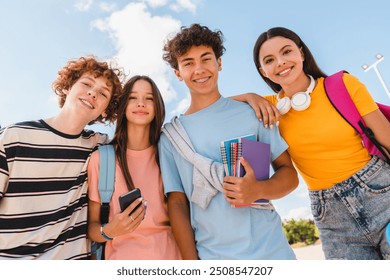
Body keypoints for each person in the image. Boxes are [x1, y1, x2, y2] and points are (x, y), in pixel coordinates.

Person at [159, 23, 298, 260]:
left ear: (219, 63)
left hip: (273, 251)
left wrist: (258, 190)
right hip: (215, 258)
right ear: (178, 74)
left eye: (206, 59)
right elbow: (178, 205)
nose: (199, 69)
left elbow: (289, 175)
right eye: (188, 63)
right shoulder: (171, 137)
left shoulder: (253, 113)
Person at [251, 26, 390, 259]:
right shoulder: (268, 110)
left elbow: (387, 138)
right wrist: (248, 97)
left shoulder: (343, 84)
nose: (281, 62)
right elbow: (218, 106)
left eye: (287, 52)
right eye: (269, 60)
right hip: (332, 217)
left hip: (381, 194)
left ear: (302, 53)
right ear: (263, 71)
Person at [0, 56, 123, 259]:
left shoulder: (99, 147)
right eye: (86, 84)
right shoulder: (14, 138)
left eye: (103, 93)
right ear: (67, 87)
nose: (93, 93)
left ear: (105, 110)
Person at [87, 75, 182, 260]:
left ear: (158, 107)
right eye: (132, 98)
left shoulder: (169, 155)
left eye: (149, 98)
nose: (141, 104)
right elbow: (92, 227)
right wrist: (109, 231)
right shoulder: (102, 159)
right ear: (123, 106)